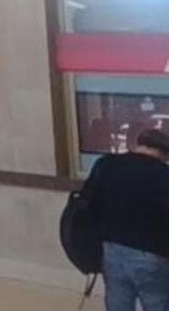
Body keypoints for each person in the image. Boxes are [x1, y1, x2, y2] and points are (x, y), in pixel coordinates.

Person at [83, 128, 169, 311]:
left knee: (117, 304)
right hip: (152, 255)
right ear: (163, 153)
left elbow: (88, 204)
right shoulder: (164, 175)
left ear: (139, 144)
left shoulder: (106, 164)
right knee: (157, 303)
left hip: (112, 251)